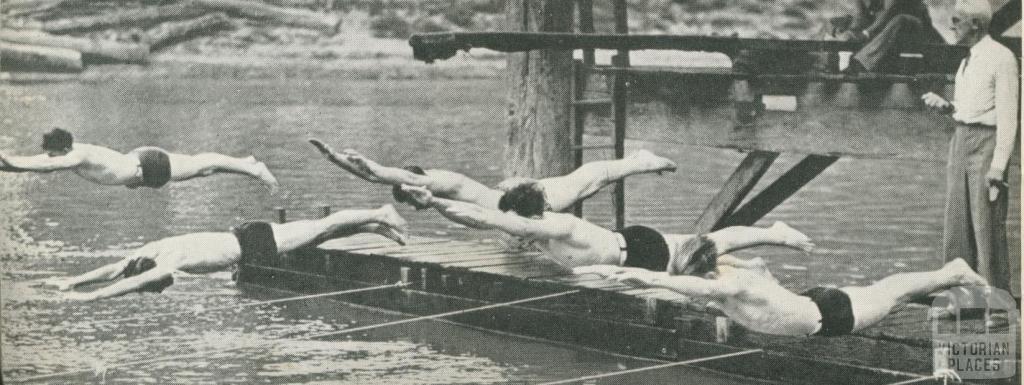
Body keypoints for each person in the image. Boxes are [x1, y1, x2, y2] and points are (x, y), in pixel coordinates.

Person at [396, 184, 814, 272]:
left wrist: (436, 205)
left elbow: (483, 218)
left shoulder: (554, 225)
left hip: (641, 252)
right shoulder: (537, 226)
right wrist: (439, 206)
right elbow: (481, 211)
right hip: (628, 242)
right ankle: (754, 264)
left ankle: (773, 232)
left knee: (708, 246)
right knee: (706, 254)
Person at [42, 205, 408, 301]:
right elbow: (113, 269)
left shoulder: (167, 261)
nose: (163, 283)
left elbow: (120, 282)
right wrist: (72, 281)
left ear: (151, 273)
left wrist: (90, 299)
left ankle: (379, 213)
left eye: (156, 283)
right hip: (247, 238)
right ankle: (372, 226)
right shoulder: (154, 249)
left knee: (320, 227)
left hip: (253, 244)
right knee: (315, 237)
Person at [576, 257, 988, 337]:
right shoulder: (727, 286)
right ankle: (948, 276)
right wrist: (609, 272)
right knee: (888, 289)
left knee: (891, 290)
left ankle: (953, 271)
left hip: (831, 316)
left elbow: (659, 282)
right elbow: (669, 284)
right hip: (812, 304)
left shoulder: (727, 286)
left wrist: (623, 270)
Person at [921, 0, 1018, 293]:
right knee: (957, 226)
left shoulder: (1002, 58)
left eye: (956, 20)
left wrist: (998, 167)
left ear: (974, 24)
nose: (951, 26)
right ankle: (961, 300)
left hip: (985, 145)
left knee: (986, 227)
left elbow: (1008, 117)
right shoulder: (968, 58)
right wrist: (948, 107)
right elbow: (969, 109)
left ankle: (998, 305)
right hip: (960, 141)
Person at [308, 138, 677, 213]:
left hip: (527, 199)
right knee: (589, 182)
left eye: (409, 196)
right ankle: (636, 162)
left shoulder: (438, 182)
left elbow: (383, 176)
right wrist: (336, 160)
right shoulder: (438, 187)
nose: (416, 205)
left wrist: (365, 163)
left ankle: (640, 160)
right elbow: (381, 179)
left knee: (590, 179)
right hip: (518, 200)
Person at [0, 128, 279, 190]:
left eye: (52, 152)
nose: (49, 156)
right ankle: (247, 164)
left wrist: (10, 163)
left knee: (203, 164)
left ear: (61, 149)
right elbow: (37, 162)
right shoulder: (72, 151)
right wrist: (7, 163)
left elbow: (46, 165)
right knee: (204, 169)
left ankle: (253, 169)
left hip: (147, 166)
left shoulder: (75, 156)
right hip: (142, 166)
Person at [831, 0, 942, 73]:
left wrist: (865, 33)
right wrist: (850, 32)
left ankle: (861, 63)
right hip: (886, 35)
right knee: (839, 23)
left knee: (901, 20)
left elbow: (888, 12)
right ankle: (831, 63)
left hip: (915, 32)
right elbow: (861, 17)